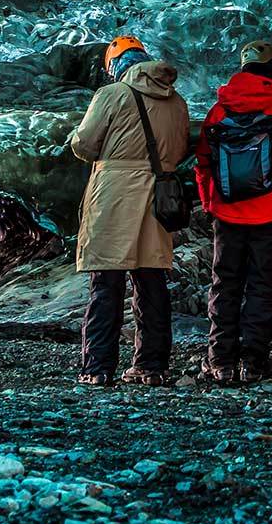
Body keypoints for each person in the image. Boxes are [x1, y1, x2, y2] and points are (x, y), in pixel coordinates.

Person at [69, 35, 191, 385]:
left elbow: (85, 145)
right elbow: (180, 150)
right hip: (158, 197)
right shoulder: (177, 101)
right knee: (152, 283)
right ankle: (151, 366)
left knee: (106, 284)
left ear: (116, 66)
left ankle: (97, 368)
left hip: (114, 197)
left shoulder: (111, 95)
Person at [194, 41, 272, 384]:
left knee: (225, 283)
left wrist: (208, 202)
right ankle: (253, 361)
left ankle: (220, 361)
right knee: (262, 286)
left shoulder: (221, 108)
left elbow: (203, 160)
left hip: (227, 211)